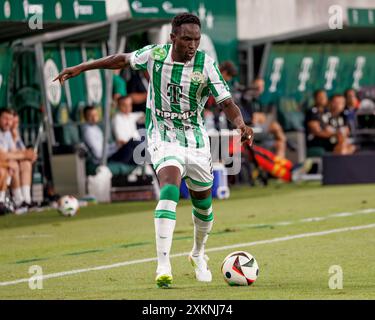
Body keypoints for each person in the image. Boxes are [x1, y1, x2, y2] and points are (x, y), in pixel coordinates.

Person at [54, 12, 253, 288]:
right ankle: (163, 264)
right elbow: (120, 59)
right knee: (170, 188)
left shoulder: (206, 65)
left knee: (203, 207)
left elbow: (227, 102)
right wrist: (81, 67)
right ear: (173, 38)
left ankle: (198, 254)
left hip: (195, 140)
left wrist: (241, 124)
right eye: (186, 39)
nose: (192, 45)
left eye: (196, 39)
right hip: (162, 135)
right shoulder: (155, 55)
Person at [0, 108, 37, 213]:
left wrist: (27, 155)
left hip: (5, 164)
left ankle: (26, 200)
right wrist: (24, 155)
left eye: (10, 120)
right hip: (3, 164)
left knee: (25, 163)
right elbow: (2, 155)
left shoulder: (7, 133)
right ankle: (17, 201)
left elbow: (14, 151)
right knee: (13, 164)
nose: (8, 122)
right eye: (5, 119)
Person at [241, 78, 287, 158]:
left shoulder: (259, 100)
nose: (259, 88)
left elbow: (262, 117)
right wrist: (259, 117)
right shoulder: (247, 97)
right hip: (250, 130)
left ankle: (278, 165)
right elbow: (254, 119)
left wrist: (260, 117)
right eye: (257, 86)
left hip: (260, 130)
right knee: (276, 127)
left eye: (261, 86)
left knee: (280, 143)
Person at [305, 91, 355, 155]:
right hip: (319, 142)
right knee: (341, 145)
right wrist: (336, 133)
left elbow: (343, 130)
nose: (339, 105)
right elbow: (318, 131)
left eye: (342, 103)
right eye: (336, 102)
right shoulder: (314, 112)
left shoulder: (335, 115)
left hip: (333, 141)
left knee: (351, 147)